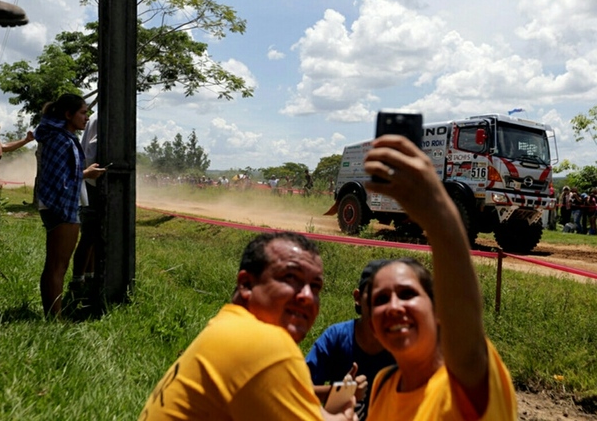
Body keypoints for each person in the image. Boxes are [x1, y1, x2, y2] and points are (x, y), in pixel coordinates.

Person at [363, 134, 517, 420]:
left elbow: (466, 336)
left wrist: (438, 214)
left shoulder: (464, 382)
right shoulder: (382, 385)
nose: (394, 307)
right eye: (381, 299)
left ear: (438, 309)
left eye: (408, 293)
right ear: (369, 321)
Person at [139, 231, 358, 421]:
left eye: (316, 287)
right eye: (290, 278)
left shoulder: (227, 327)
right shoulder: (266, 343)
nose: (308, 297)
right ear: (246, 284)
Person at [34, 94, 106, 318]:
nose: (86, 118)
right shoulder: (60, 140)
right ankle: (54, 318)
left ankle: (55, 313)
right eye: (83, 113)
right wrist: (87, 174)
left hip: (63, 204)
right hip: (60, 206)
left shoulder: (61, 136)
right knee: (57, 265)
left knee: (58, 265)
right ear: (68, 114)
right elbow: (60, 179)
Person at [306, 260, 395, 421]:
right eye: (377, 295)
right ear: (358, 297)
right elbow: (298, 391)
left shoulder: (404, 346)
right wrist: (342, 392)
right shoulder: (337, 337)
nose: (384, 306)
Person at [70, 116, 101, 295]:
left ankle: (87, 277)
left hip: (88, 181)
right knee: (90, 234)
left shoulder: (96, 117)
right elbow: (92, 150)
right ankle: (79, 280)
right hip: (92, 181)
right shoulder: (103, 117)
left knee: (91, 235)